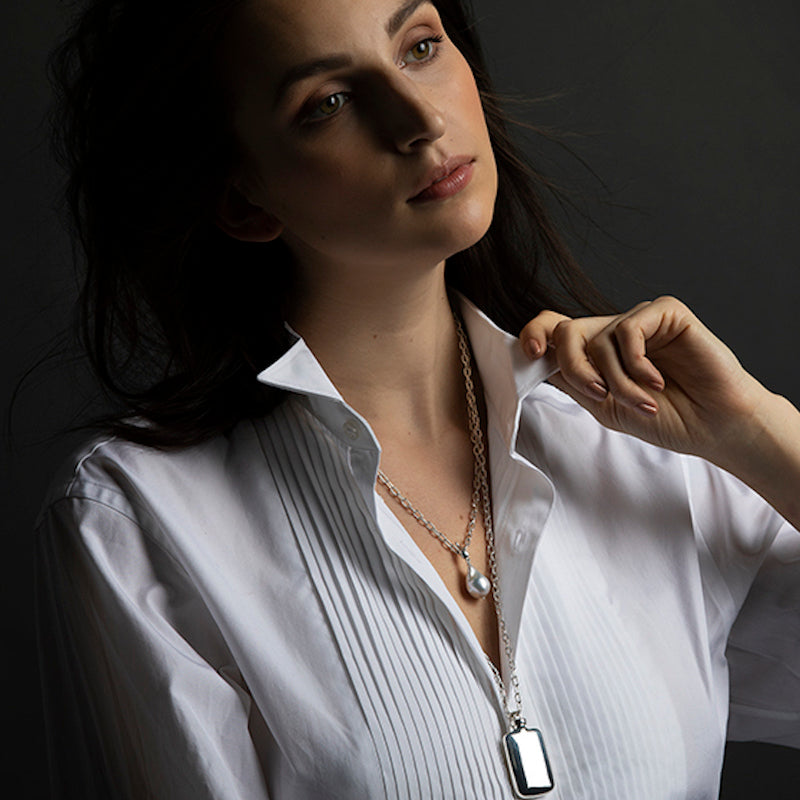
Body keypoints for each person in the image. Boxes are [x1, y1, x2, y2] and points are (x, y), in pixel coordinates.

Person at [36, 0, 799, 797]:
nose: (420, 117)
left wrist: (757, 431)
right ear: (244, 197)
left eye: (421, 46)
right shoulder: (137, 519)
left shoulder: (637, 438)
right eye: (328, 102)